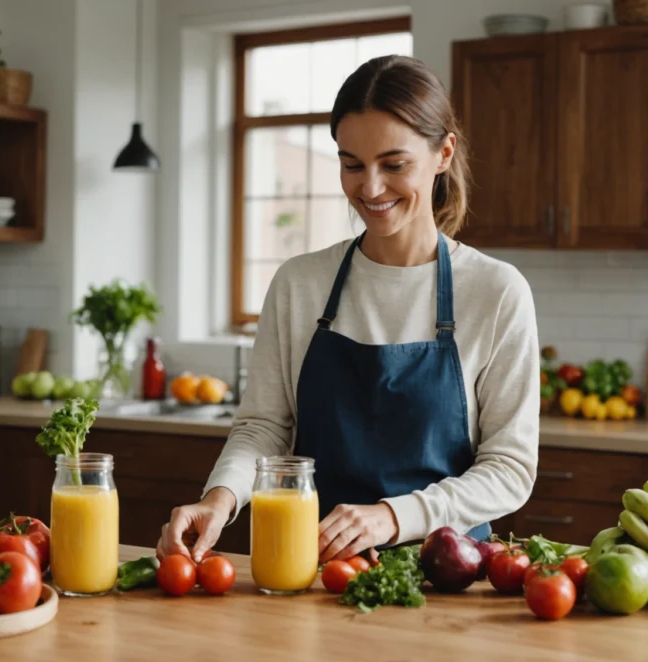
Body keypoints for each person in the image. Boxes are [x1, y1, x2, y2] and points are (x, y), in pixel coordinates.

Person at [156, 55, 540, 565]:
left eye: (394, 164)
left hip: (451, 574)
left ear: (443, 153)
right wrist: (219, 498)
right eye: (351, 164)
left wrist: (392, 515)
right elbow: (264, 428)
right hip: (316, 568)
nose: (371, 188)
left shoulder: (495, 291)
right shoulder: (300, 283)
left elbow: (509, 468)